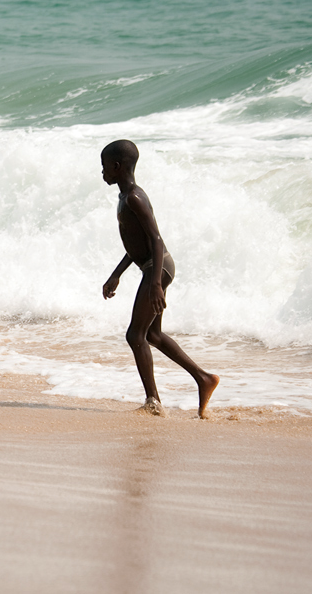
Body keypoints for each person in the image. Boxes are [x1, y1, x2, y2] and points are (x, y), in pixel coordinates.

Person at [100, 139, 219, 417]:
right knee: (152, 334)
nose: (102, 172)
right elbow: (136, 245)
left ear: (116, 167)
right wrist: (116, 274)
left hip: (158, 267)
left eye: (104, 167)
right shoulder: (124, 197)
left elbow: (155, 239)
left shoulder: (134, 198)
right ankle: (204, 378)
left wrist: (155, 284)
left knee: (135, 335)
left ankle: (153, 402)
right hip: (154, 266)